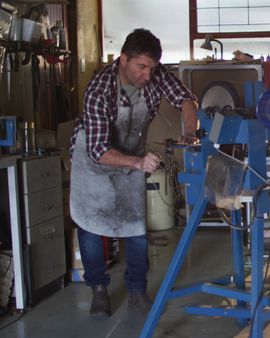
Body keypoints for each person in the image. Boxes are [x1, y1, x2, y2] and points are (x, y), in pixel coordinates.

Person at [69, 28, 198, 317]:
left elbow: (185, 100)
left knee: (135, 228)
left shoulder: (154, 71)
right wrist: (138, 163)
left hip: (130, 153)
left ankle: (137, 292)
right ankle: (99, 290)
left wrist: (190, 131)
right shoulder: (99, 89)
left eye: (151, 68)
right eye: (141, 68)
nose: (148, 76)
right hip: (93, 159)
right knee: (92, 227)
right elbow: (99, 150)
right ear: (124, 59)